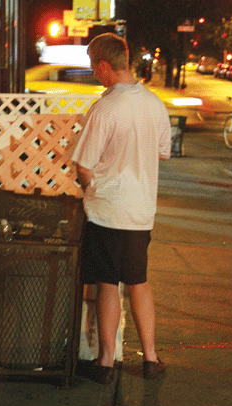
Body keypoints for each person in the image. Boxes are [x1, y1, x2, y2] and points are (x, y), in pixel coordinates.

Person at [71, 33, 171, 384]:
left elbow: (84, 165)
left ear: (103, 66)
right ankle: (151, 359)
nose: (93, 74)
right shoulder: (155, 104)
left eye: (92, 67)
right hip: (141, 210)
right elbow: (161, 150)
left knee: (107, 285)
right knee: (139, 282)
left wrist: (90, 186)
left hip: (106, 210)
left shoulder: (105, 108)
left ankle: (105, 363)